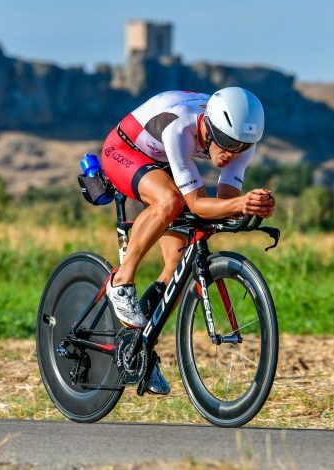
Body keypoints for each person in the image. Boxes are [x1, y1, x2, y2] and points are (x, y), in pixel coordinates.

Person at [100, 87, 276, 395]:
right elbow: (196, 204)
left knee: (176, 268)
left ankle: (139, 347)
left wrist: (252, 205)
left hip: (165, 161)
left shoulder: (239, 139)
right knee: (169, 202)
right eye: (227, 144)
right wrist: (240, 204)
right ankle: (121, 280)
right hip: (126, 151)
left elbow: (225, 202)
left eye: (242, 147)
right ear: (209, 126)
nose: (232, 154)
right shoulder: (180, 127)